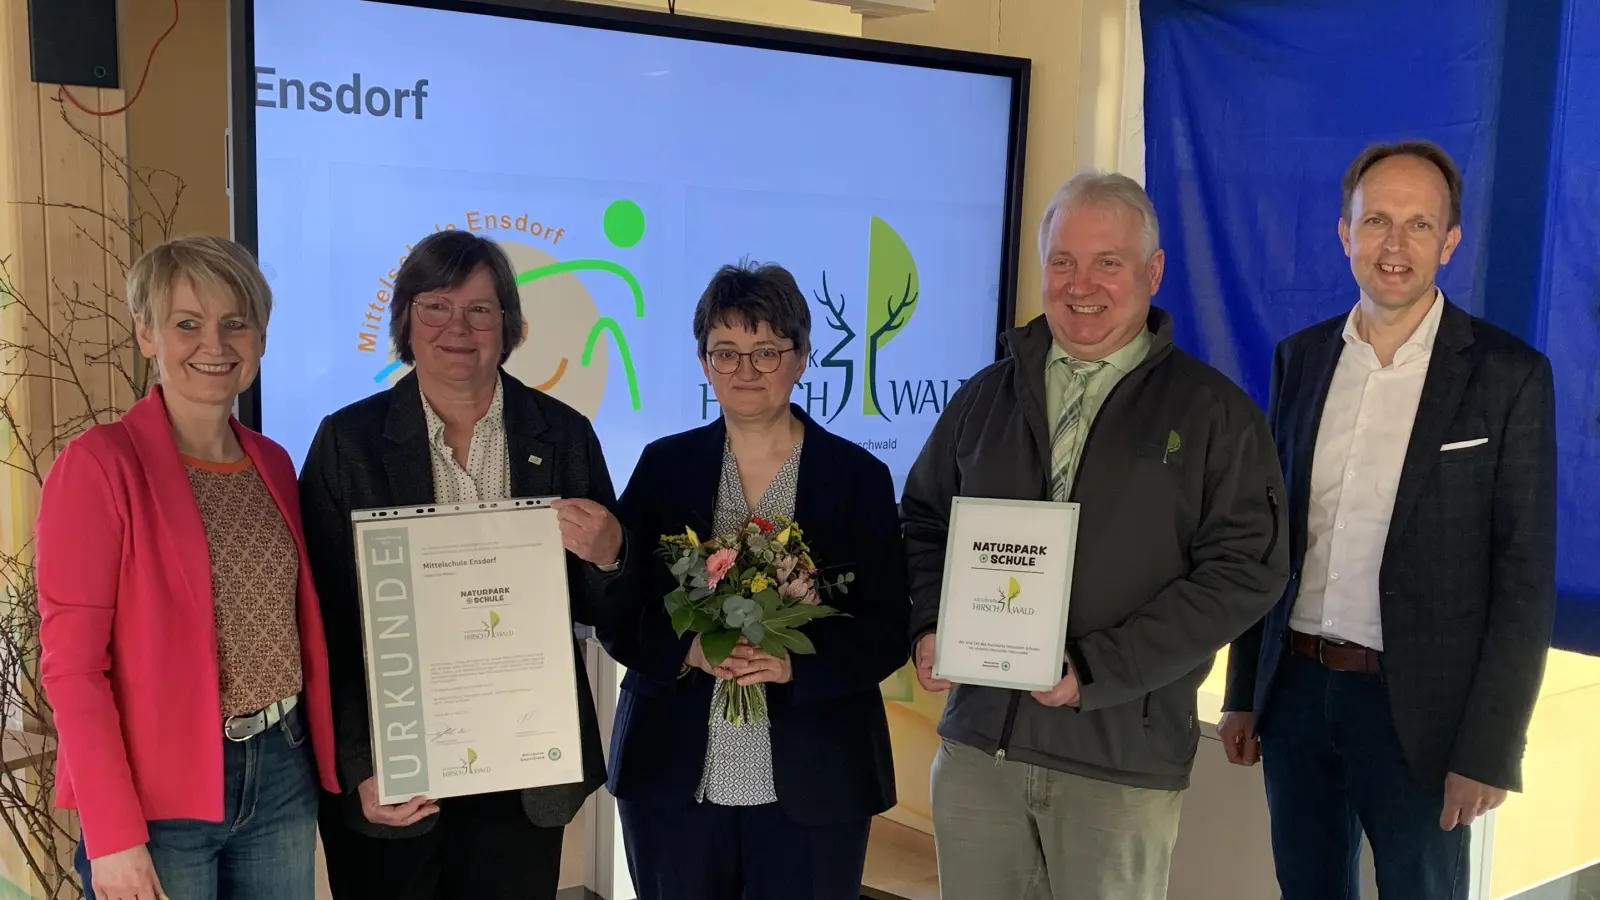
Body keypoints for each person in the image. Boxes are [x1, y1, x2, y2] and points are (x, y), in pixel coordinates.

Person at [901, 171, 1290, 899]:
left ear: (1152, 271)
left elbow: (1248, 572)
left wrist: (1097, 667)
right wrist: (930, 624)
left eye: (1107, 262)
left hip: (1119, 760)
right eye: (1062, 262)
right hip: (981, 750)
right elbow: (923, 518)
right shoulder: (985, 397)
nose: (1082, 285)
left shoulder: (1215, 415)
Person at [1219, 140, 1557, 900]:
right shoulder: (1299, 360)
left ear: (1450, 241)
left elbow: (1525, 575)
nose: (1394, 246)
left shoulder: (1508, 376)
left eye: (1418, 225)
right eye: (1376, 222)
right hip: (1298, 695)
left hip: (1424, 719)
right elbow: (1267, 536)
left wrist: (1492, 747)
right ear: (1345, 234)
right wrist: (1246, 687)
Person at [300, 230, 630, 900]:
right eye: (435, 307)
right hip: (398, 776)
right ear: (404, 321)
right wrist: (363, 761)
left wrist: (611, 556)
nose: (458, 327)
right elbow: (321, 620)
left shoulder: (562, 435)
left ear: (508, 326)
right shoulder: (348, 442)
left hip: (522, 772)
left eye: (480, 310)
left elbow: (609, 612)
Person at [35, 236, 342, 900]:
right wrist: (112, 834)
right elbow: (73, 668)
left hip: (282, 774)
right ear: (146, 335)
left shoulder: (275, 463)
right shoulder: (98, 467)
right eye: (187, 323)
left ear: (259, 338)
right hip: (155, 797)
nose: (216, 343)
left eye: (237, 322)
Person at [597, 261, 909, 900]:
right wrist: (684, 649)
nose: (744, 371)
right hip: (675, 775)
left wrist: (798, 665)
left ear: (801, 358)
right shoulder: (664, 467)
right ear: (703, 362)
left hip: (817, 778)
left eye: (766, 352)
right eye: (725, 352)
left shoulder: (858, 478)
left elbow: (887, 628)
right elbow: (617, 608)